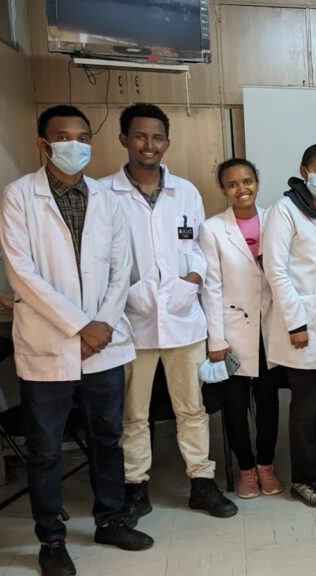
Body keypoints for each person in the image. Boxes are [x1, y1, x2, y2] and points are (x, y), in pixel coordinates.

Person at [0, 105, 154, 576]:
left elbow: (120, 268)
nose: (75, 144)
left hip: (103, 343)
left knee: (107, 437)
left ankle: (110, 519)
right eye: (64, 136)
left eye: (83, 137)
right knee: (46, 448)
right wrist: (79, 325)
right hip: (48, 345)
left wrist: (101, 324)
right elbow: (22, 273)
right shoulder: (19, 196)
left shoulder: (106, 198)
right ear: (43, 144)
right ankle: (51, 539)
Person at [101, 103, 236, 521]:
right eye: (140, 136)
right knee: (133, 414)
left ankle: (201, 482)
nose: (149, 145)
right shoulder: (104, 193)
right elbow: (102, 256)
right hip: (131, 321)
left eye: (157, 137)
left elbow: (196, 247)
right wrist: (134, 291)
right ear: (124, 139)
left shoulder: (186, 191)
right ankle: (135, 486)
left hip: (183, 319)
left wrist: (190, 279)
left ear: (167, 142)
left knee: (192, 409)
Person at [262, 143, 316, 508]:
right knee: (306, 406)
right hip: (301, 324)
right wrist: (295, 322)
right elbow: (276, 270)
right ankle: (304, 479)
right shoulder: (284, 210)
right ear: (304, 171)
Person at [199, 158, 283, 499]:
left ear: (257, 183)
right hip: (232, 331)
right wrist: (216, 339)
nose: (241, 189)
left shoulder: (275, 220)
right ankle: (246, 469)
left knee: (268, 403)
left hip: (270, 328)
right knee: (235, 405)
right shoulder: (212, 229)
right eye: (232, 184)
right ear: (223, 189)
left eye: (247, 181)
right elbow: (211, 287)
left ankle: (266, 465)